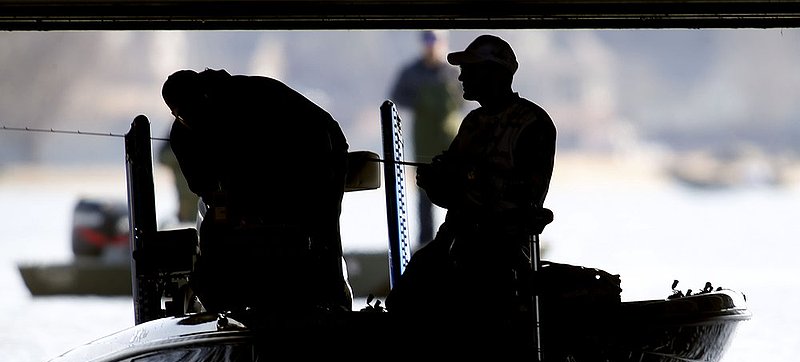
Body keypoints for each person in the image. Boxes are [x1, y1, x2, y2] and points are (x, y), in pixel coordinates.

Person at [385, 34, 557, 315]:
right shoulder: (473, 122)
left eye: (470, 70)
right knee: (403, 301)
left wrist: (467, 178)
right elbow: (451, 194)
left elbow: (526, 196)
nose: (462, 78)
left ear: (494, 74)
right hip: (456, 238)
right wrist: (434, 182)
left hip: (502, 249)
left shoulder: (532, 123)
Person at [161, 68, 352, 314]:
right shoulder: (182, 136)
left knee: (318, 227)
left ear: (207, 95)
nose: (194, 118)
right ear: (176, 115)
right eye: (184, 115)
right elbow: (203, 186)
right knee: (221, 226)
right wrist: (226, 208)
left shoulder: (254, 99)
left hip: (317, 148)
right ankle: (228, 295)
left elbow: (273, 168)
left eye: (197, 108)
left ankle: (332, 299)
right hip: (256, 173)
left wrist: (252, 203)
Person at [389, 30, 464, 247]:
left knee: (458, 194)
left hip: (452, 142)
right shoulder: (411, 72)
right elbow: (397, 96)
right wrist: (421, 101)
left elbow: (464, 100)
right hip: (424, 142)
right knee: (424, 194)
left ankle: (458, 242)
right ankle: (426, 245)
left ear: (444, 42)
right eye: (427, 41)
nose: (431, 45)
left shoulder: (453, 73)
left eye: (435, 40)